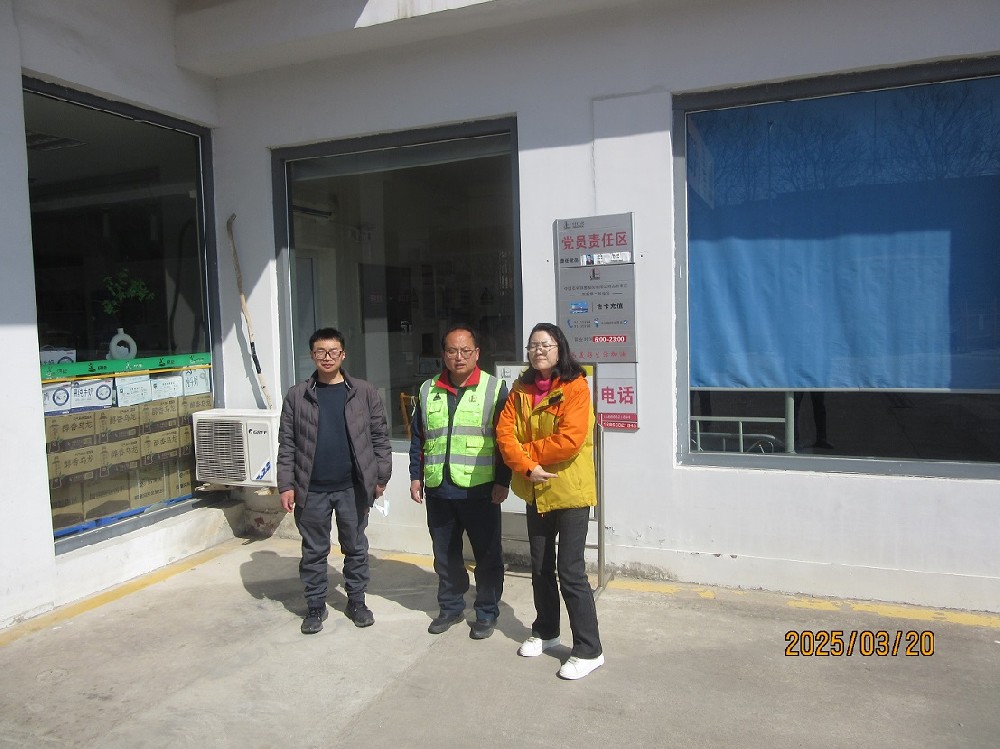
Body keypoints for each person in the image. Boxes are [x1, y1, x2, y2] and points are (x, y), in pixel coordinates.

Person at [496, 322, 604, 680]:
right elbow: (504, 434)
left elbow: (570, 439)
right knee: (540, 566)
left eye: (546, 345)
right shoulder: (520, 389)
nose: (538, 350)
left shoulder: (576, 386)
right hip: (535, 488)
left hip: (569, 490)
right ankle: (546, 631)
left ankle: (589, 649)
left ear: (560, 349)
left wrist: (526, 454)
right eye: (533, 345)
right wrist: (528, 467)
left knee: (570, 570)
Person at [277, 327, 392, 634]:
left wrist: (380, 477)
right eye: (320, 352)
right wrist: (286, 485)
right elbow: (287, 444)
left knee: (355, 547)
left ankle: (357, 601)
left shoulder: (364, 392)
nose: (327, 357)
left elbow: (380, 437)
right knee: (314, 551)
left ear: (343, 355)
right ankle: (315, 606)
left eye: (333, 352)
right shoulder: (297, 395)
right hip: (311, 488)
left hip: (352, 487)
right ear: (312, 355)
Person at [409, 324, 511, 639]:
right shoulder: (428, 389)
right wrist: (415, 476)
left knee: (487, 556)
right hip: (439, 489)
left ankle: (486, 612)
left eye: (466, 350)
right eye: (452, 351)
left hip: (481, 490)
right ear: (443, 354)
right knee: (445, 556)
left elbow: (506, 441)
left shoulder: (494, 389)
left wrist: (503, 481)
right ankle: (451, 607)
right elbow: (419, 437)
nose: (459, 357)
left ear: (477, 353)